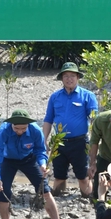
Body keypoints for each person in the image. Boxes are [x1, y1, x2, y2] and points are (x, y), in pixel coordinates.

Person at [0, 109, 64, 219]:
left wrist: (42, 164)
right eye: (16, 128)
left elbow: (40, 150)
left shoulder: (35, 130)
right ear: (11, 125)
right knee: (3, 192)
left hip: (29, 159)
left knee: (45, 191)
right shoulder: (4, 131)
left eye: (23, 129)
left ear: (28, 126)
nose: (19, 131)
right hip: (8, 161)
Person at [42, 62, 98, 197]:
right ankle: (57, 200)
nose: (69, 79)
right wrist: (44, 140)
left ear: (77, 77)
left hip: (79, 143)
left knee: (83, 176)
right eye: (66, 76)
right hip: (59, 142)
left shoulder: (88, 96)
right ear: (61, 78)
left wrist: (96, 143)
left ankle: (90, 199)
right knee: (59, 176)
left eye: (72, 75)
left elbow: (95, 120)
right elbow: (48, 119)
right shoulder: (55, 97)